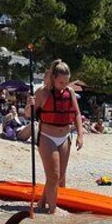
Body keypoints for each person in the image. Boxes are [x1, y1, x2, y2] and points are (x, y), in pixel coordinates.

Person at [25, 60, 84, 214]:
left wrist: (80, 135)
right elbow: (28, 115)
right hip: (47, 137)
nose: (64, 85)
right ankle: (53, 211)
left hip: (65, 137)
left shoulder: (69, 92)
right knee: (53, 176)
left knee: (59, 178)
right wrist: (29, 105)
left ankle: (41, 204)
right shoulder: (42, 93)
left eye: (66, 81)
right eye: (60, 82)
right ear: (53, 78)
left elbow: (76, 114)